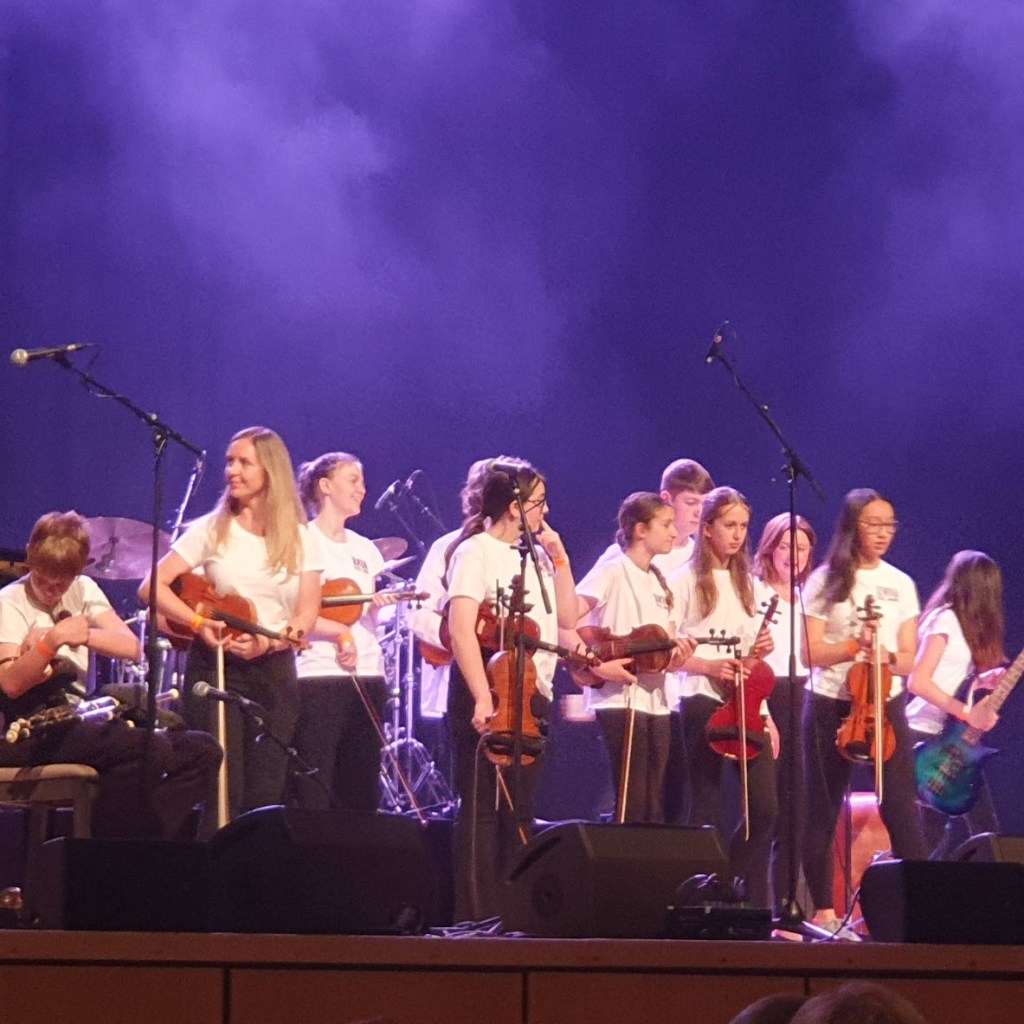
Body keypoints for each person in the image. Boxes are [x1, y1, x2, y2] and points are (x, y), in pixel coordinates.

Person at [140, 426, 321, 833]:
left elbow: (307, 609)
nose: (232, 471)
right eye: (229, 461)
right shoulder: (212, 529)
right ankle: (212, 887)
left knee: (266, 792)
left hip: (275, 673)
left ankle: (253, 890)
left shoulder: (301, 537)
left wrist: (278, 637)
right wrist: (198, 623)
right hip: (217, 667)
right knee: (225, 790)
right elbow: (150, 586)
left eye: (244, 462)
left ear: (270, 471)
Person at [0, 511, 221, 840]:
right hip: (26, 730)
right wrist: (51, 642)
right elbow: (11, 683)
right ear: (30, 553)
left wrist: (83, 634)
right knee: (148, 750)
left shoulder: (84, 588)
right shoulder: (9, 601)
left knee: (204, 750)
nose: (52, 586)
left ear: (81, 568)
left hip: (74, 718)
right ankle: (110, 854)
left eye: (64, 578)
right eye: (44, 573)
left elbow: (131, 646)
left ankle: (141, 846)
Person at [444, 457, 579, 921]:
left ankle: (512, 913)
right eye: (538, 503)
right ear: (513, 507)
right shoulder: (474, 551)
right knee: (482, 811)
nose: (545, 511)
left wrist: (559, 558)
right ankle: (475, 915)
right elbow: (461, 629)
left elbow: (567, 617)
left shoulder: (537, 555)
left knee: (519, 812)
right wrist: (483, 696)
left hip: (530, 693)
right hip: (488, 685)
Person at [802, 488, 927, 936]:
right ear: (854, 526)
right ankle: (822, 911)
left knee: (899, 806)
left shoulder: (901, 584)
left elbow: (911, 658)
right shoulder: (825, 580)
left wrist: (886, 655)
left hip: (885, 700)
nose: (883, 533)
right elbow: (811, 650)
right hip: (834, 701)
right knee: (821, 809)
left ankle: (921, 907)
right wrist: (855, 646)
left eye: (889, 525)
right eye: (874, 524)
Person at [589, 458, 715, 824]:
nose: (697, 514)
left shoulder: (699, 556)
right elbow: (582, 615)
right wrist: (593, 663)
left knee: (670, 795)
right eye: (691, 503)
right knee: (635, 793)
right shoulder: (623, 559)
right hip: (631, 690)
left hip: (672, 692)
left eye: (704, 505)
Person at [669, 486, 778, 907]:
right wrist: (710, 667)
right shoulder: (683, 581)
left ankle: (727, 883)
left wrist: (759, 656)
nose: (736, 535)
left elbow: (751, 663)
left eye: (743, 527)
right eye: (728, 526)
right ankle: (698, 896)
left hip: (749, 707)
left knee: (765, 807)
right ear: (708, 527)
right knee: (707, 804)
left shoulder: (750, 585)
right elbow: (669, 655)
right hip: (700, 698)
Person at [567, 492, 695, 823]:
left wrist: (678, 653)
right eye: (665, 525)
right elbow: (570, 617)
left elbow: (664, 649)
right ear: (640, 530)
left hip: (657, 699)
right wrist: (597, 664)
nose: (672, 532)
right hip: (619, 698)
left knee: (655, 796)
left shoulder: (660, 580)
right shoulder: (612, 570)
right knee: (632, 795)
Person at [290, 451, 404, 811]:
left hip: (367, 672)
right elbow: (296, 611)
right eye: (353, 481)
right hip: (319, 672)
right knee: (317, 780)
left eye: (363, 481)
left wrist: (377, 608)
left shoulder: (366, 549)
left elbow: (367, 618)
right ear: (325, 486)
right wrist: (339, 631)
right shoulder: (300, 539)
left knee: (361, 784)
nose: (363, 489)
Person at [906, 550, 1003, 857]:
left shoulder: (959, 624)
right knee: (974, 826)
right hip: (923, 735)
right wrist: (964, 711)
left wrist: (980, 682)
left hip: (944, 734)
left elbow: (948, 679)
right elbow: (918, 682)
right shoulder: (946, 619)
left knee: (940, 833)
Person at [752, 513, 816, 918]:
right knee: (765, 807)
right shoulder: (753, 591)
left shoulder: (812, 597)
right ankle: (755, 902)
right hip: (766, 694)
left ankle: (788, 907)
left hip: (802, 696)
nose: (794, 555)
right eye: (786, 546)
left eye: (803, 548)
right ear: (770, 548)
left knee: (797, 811)